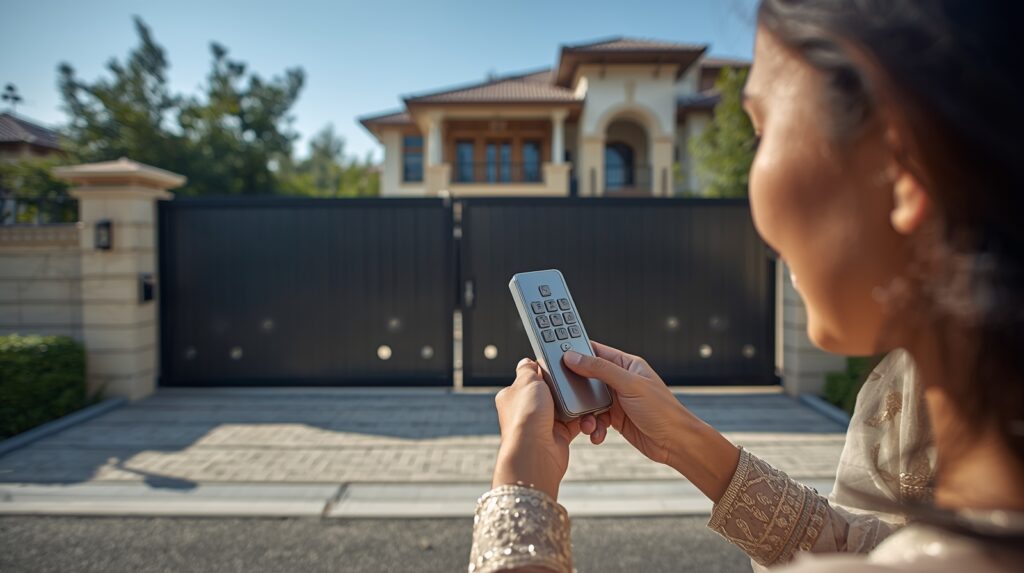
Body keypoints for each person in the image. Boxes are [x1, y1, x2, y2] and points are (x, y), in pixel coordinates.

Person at [468, 1, 1024, 571]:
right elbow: (881, 545)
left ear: (900, 165)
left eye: (761, 130)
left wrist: (520, 492)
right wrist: (684, 439)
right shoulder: (914, 391)